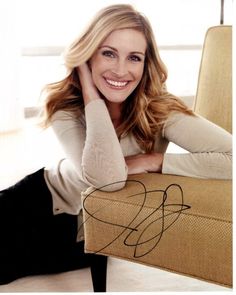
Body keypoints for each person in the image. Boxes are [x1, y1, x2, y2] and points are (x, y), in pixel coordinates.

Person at [0, 3, 232, 286]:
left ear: (146, 64)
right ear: (87, 56)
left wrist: (156, 161)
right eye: (108, 53)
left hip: (89, 227)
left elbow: (108, 182)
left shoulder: (160, 111)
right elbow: (105, 177)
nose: (121, 70)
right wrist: (90, 92)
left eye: (134, 57)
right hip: (39, 199)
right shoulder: (66, 107)